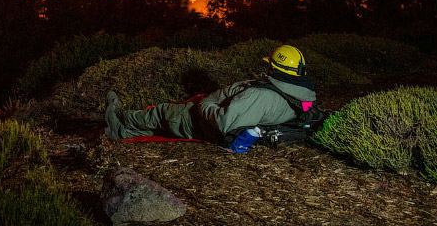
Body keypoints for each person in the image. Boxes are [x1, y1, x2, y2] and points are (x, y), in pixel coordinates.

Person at [104, 45, 316, 152]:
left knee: (162, 114)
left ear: (275, 67)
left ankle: (121, 116)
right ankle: (120, 132)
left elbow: (224, 122)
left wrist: (205, 103)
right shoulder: (298, 94)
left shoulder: (261, 97)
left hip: (200, 122)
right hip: (214, 116)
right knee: (161, 125)